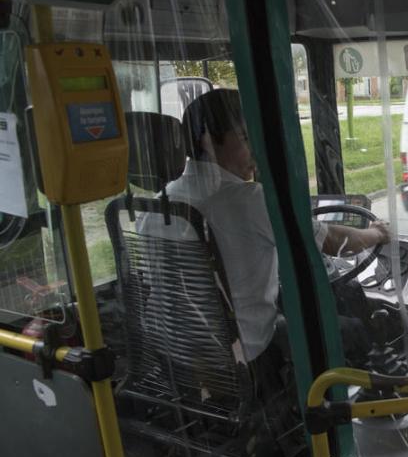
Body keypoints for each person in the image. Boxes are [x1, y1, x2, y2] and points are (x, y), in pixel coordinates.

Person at [140, 88, 389, 362]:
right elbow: (334, 242)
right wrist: (377, 232)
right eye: (247, 138)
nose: (256, 150)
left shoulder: (156, 204)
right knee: (351, 331)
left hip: (172, 355)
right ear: (208, 140)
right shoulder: (248, 199)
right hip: (241, 355)